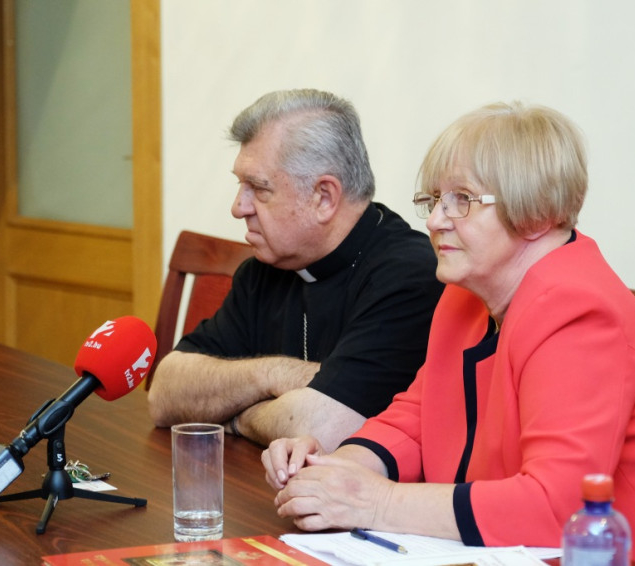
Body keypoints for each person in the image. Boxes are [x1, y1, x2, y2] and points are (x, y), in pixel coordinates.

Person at [262, 102, 635, 565]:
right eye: (435, 199)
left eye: (462, 200)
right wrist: (336, 469)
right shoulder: (466, 293)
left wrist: (377, 502)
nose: (435, 220)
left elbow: (555, 507)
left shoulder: (580, 311)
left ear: (536, 211)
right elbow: (417, 418)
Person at [148, 89, 444, 452]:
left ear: (324, 197)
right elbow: (164, 393)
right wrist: (270, 375)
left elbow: (320, 430)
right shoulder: (265, 268)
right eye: (241, 185)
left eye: (258, 188)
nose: (238, 207)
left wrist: (237, 417)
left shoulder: (408, 276)